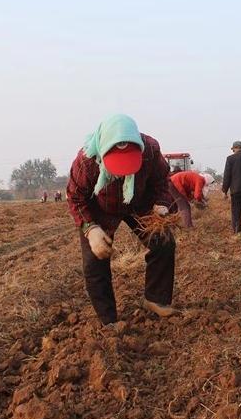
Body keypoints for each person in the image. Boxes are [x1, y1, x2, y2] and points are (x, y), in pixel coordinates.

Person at [67, 114, 177, 325]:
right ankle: (108, 320)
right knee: (94, 261)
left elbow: (161, 181)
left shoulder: (150, 149)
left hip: (139, 201)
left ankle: (155, 299)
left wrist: (161, 204)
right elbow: (75, 197)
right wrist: (90, 229)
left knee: (163, 241)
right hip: (100, 207)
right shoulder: (86, 160)